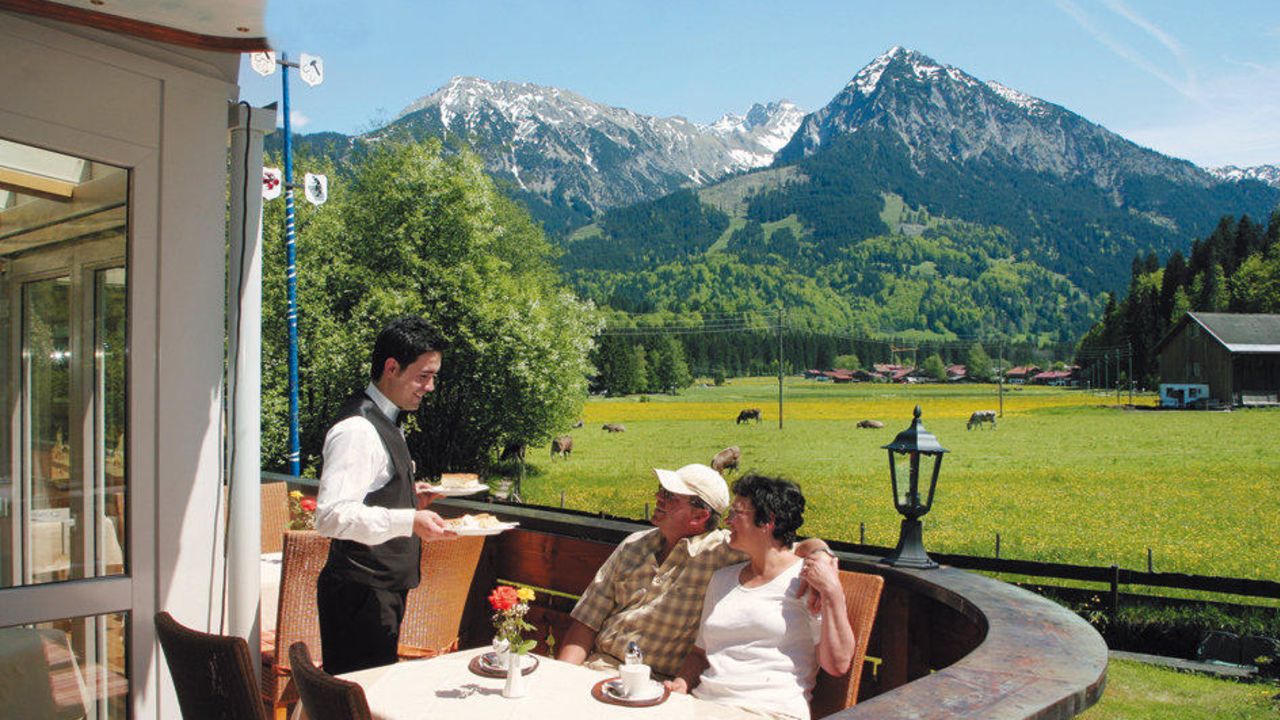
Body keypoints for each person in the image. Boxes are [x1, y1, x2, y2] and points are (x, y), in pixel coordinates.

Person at [557, 464, 835, 680]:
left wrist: (821, 553)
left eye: (669, 496)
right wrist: (562, 678)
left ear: (700, 516)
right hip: (595, 667)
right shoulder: (633, 544)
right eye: (661, 490)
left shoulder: (723, 551)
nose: (657, 497)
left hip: (653, 683)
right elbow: (586, 623)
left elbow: (783, 546)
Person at [314, 316, 457, 675]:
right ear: (392, 368)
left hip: (376, 592)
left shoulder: (385, 417)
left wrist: (409, 498)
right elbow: (330, 516)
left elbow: (369, 493)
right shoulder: (358, 430)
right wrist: (409, 519)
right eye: (424, 376)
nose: (430, 387)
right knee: (358, 698)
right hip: (360, 595)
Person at [665, 474, 854, 720]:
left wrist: (833, 593)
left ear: (768, 521)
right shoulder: (722, 579)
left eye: (737, 512)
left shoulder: (808, 580)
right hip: (705, 706)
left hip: (769, 711)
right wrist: (681, 683)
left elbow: (838, 664)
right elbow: (700, 654)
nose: (727, 520)